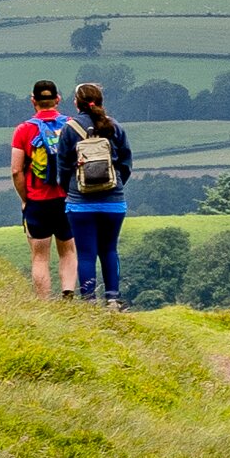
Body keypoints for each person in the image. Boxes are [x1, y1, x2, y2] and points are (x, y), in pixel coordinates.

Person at [62, 81, 135, 304]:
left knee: (86, 254)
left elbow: (62, 168)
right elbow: (126, 163)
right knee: (109, 250)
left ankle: (89, 301)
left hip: (80, 203)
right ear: (100, 101)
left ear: (77, 103)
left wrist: (70, 191)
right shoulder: (115, 127)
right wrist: (116, 186)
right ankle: (113, 299)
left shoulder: (69, 129)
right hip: (113, 201)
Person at [8, 80, 73, 296]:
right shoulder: (71, 125)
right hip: (66, 198)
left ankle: (44, 303)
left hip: (37, 201)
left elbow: (16, 170)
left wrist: (25, 199)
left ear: (33, 101)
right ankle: (68, 295)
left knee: (40, 257)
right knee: (68, 251)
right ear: (57, 99)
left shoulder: (24, 130)